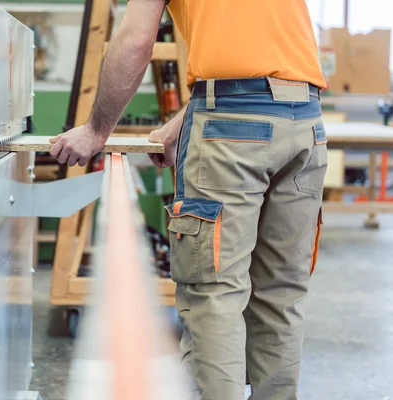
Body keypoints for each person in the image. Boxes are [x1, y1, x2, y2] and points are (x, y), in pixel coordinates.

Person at [50, 1, 327, 399]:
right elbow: (264, 64)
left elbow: (134, 42)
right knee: (280, 294)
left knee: (215, 293)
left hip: (231, 128)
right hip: (306, 125)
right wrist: (186, 119)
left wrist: (96, 130)